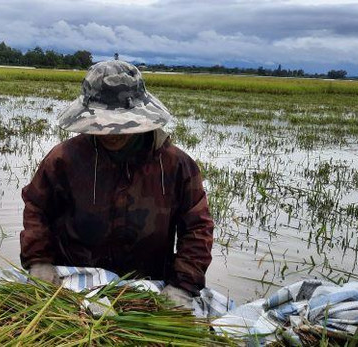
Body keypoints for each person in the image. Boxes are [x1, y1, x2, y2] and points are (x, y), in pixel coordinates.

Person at [19, 59, 214, 307]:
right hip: (74, 285)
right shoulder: (64, 159)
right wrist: (39, 262)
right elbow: (37, 208)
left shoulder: (175, 166)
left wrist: (183, 286)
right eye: (100, 124)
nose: (110, 133)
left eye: (119, 124)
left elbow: (197, 228)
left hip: (148, 287)